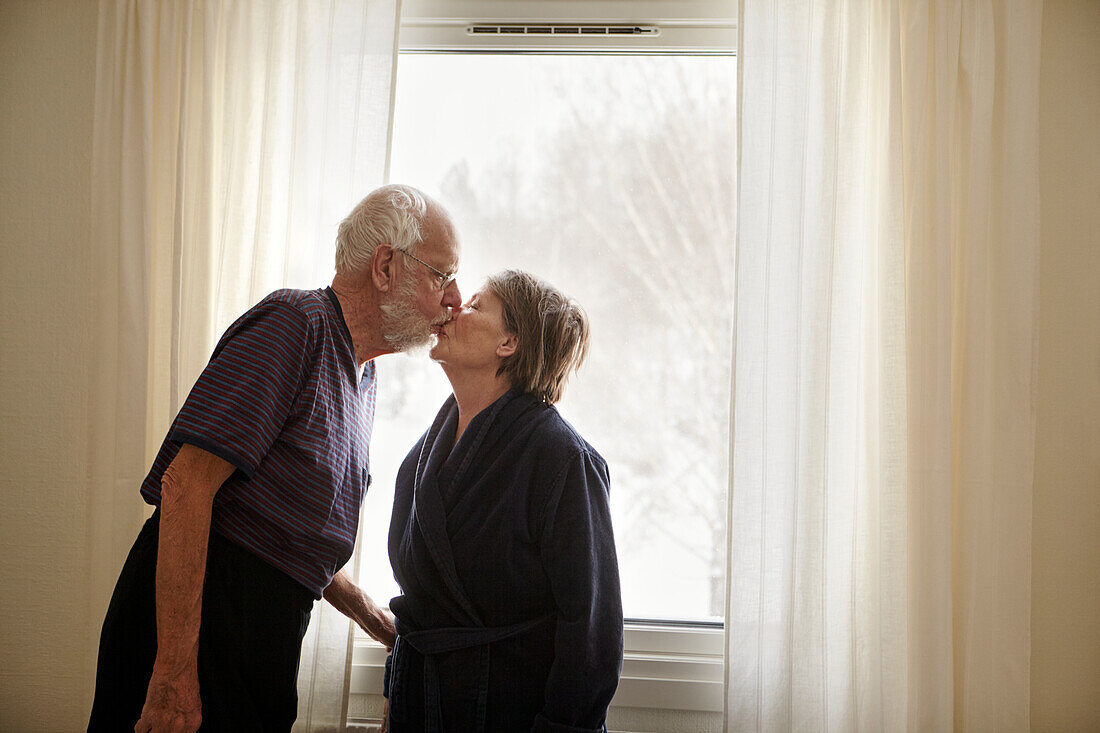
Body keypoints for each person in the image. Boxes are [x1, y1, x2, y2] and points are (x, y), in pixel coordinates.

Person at [88, 184, 462, 732]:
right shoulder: (297, 323)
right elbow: (187, 487)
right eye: (442, 276)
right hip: (203, 627)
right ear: (385, 266)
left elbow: (286, 533)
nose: (454, 299)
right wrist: (171, 675)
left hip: (264, 635)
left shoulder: (364, 375)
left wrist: (373, 617)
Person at [384, 270, 624, 732]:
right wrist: (396, 700)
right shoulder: (424, 455)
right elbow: (419, 604)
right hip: (420, 706)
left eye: (475, 304)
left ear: (508, 343)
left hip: (509, 711)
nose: (454, 308)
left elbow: (591, 631)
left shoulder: (562, 459)